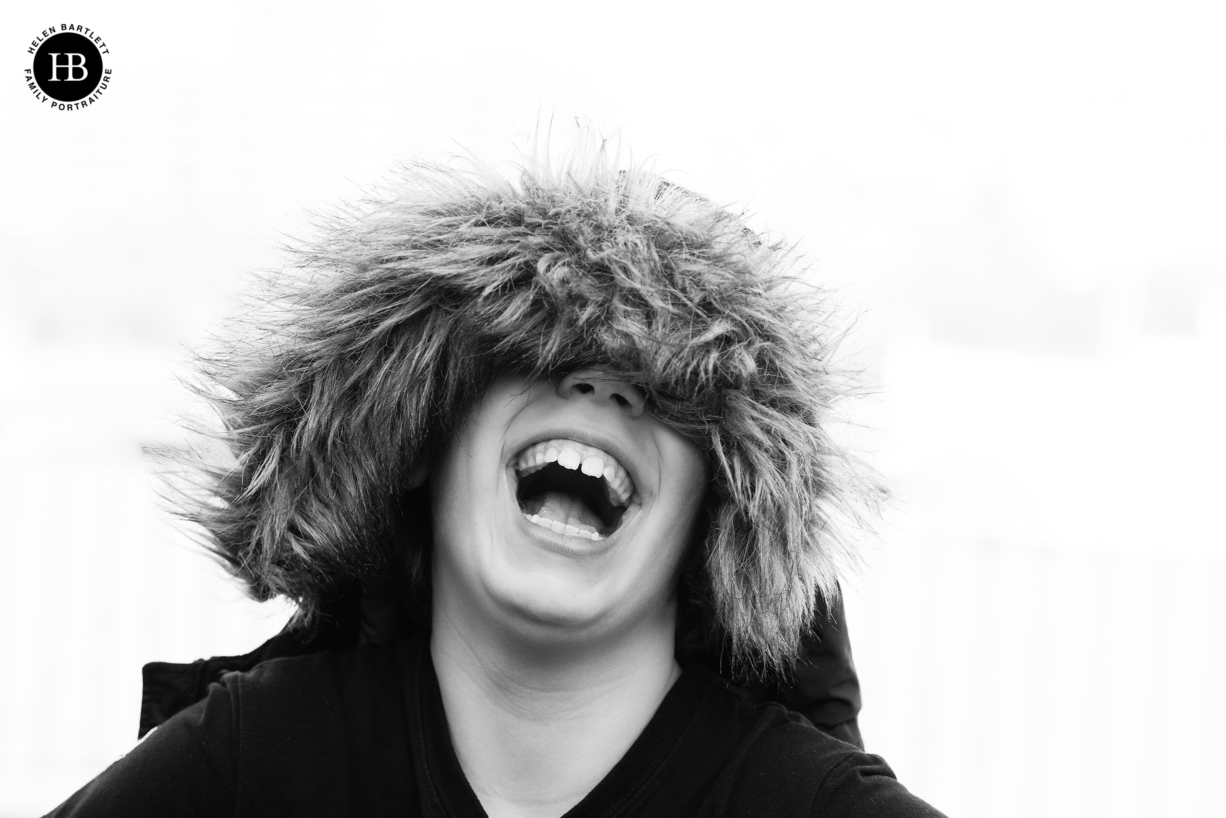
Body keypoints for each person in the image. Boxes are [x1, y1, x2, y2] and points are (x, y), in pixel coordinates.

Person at [46, 147, 944, 817]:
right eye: (539, 351)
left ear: (719, 512)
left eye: (668, 388)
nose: (602, 387)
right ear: (419, 440)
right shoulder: (251, 763)